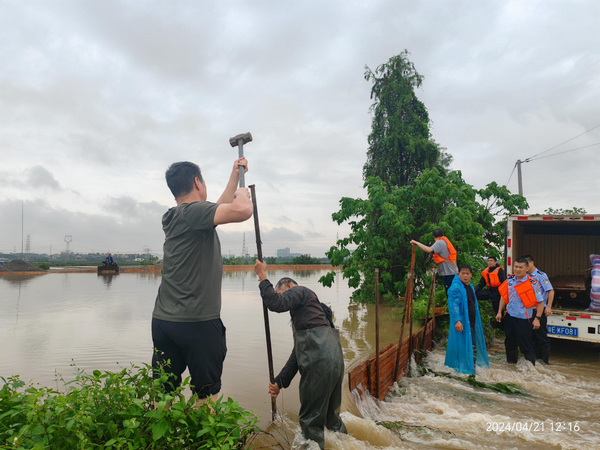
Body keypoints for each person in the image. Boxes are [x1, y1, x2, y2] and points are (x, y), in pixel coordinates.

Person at [151, 158, 253, 402]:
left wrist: (234, 175)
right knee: (206, 395)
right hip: (197, 323)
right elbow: (241, 210)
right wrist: (242, 193)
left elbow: (217, 207)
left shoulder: (172, 217)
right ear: (198, 182)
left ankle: (157, 437)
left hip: (164, 321)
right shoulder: (196, 213)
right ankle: (203, 440)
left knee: (163, 391)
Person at [254, 260, 347, 450]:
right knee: (332, 419)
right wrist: (280, 381)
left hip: (320, 362)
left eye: (282, 293)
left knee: (310, 424)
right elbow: (300, 353)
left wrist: (263, 277)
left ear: (288, 286)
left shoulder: (300, 291)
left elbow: (275, 303)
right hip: (335, 361)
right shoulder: (315, 312)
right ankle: (347, 445)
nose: (285, 300)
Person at [496, 257, 544, 365]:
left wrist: (537, 319)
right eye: (516, 267)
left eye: (520, 267)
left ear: (527, 268)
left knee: (526, 345)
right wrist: (499, 311)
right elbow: (504, 297)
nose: (517, 269)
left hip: (524, 319)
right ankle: (511, 365)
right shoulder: (510, 280)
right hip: (510, 317)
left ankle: (530, 370)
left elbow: (540, 303)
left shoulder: (533, 283)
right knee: (509, 343)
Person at [445, 265, 489, 374]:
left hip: (471, 322)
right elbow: (453, 304)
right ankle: (466, 371)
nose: (465, 276)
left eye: (467, 273)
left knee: (469, 345)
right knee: (468, 346)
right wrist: (457, 320)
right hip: (463, 323)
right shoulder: (456, 287)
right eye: (463, 273)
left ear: (471, 275)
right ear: (458, 274)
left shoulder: (470, 286)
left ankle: (467, 369)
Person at [523, 255, 554, 364]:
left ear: (532, 262)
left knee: (541, 337)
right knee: (531, 337)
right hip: (528, 311)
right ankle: (534, 361)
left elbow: (550, 290)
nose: (526, 266)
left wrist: (549, 306)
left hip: (539, 310)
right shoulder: (525, 276)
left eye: (527, 263)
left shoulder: (541, 275)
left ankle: (545, 362)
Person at [410, 229, 458, 294]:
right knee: (452, 293)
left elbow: (428, 250)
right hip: (451, 271)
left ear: (434, 237)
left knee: (451, 294)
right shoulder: (445, 241)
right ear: (442, 235)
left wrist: (416, 243)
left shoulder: (439, 242)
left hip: (448, 273)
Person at [475, 256, 507, 328]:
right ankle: (476, 312)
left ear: (495, 262)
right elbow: (481, 284)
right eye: (488, 260)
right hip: (489, 292)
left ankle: (501, 327)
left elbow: (505, 284)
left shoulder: (500, 272)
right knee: (475, 295)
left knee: (498, 311)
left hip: (498, 293)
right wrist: (473, 291)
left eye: (491, 260)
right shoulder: (486, 272)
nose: (490, 262)